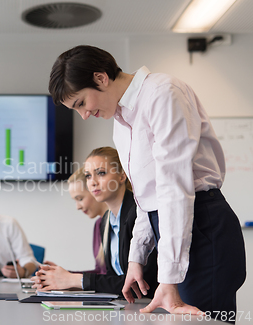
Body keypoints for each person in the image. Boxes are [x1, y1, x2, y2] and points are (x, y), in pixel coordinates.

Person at [48, 45, 246, 316]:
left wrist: (169, 277)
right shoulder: (120, 121)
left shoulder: (162, 93)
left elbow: (174, 189)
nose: (83, 114)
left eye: (81, 102)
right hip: (171, 227)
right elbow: (145, 198)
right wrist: (135, 259)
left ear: (100, 78)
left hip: (202, 225)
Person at [32, 147, 158, 297]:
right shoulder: (106, 222)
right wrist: (61, 280)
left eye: (101, 173)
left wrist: (74, 280)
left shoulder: (140, 214)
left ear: (122, 175)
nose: (92, 182)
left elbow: (141, 284)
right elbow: (113, 280)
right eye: (88, 176)